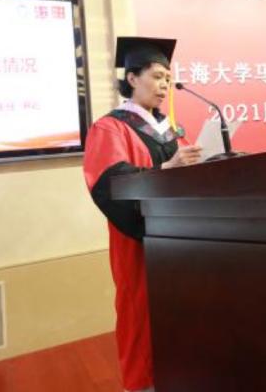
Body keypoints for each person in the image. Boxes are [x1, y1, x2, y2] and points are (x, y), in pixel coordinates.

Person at [82, 37, 202, 392]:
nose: (165, 85)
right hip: (140, 244)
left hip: (180, 240)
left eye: (168, 78)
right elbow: (110, 184)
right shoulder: (110, 128)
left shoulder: (170, 130)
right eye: (157, 76)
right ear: (132, 78)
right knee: (142, 316)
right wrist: (166, 168)